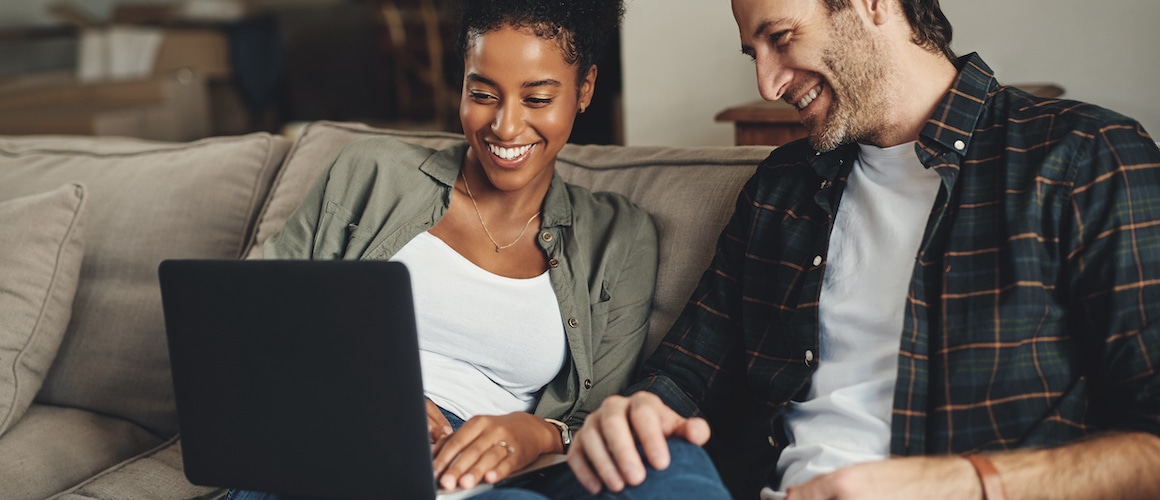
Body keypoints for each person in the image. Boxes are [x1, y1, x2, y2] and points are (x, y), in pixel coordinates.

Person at [559, 0, 1160, 499]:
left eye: (781, 37)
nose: (767, 84)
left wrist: (962, 482)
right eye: (755, 53)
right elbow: (687, 373)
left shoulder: (1084, 158)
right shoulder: (782, 188)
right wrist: (634, 412)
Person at [228, 0, 657, 497]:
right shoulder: (373, 172)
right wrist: (357, 393)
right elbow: (251, 320)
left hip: (476, 472)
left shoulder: (619, 236)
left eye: (537, 99)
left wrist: (536, 433)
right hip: (326, 433)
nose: (506, 127)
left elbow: (599, 419)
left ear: (584, 90)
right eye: (482, 93)